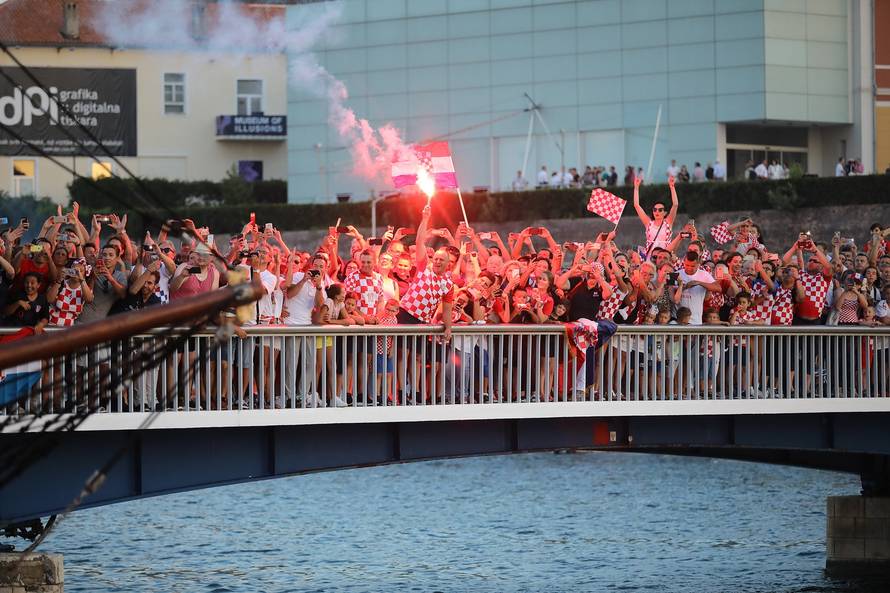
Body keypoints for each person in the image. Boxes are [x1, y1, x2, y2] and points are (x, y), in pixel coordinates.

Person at [633, 175, 679, 254]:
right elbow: (636, 205)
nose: (657, 212)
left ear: (665, 213)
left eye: (660, 210)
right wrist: (636, 187)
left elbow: (675, 205)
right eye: (655, 210)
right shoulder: (648, 223)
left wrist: (672, 187)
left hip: (665, 256)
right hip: (650, 257)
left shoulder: (668, 222)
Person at [675, 251, 720, 325]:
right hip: (678, 320)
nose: (689, 268)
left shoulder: (704, 275)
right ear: (684, 262)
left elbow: (718, 288)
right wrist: (684, 287)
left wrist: (700, 283)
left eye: (692, 266)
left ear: (698, 264)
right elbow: (673, 297)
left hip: (695, 320)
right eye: (687, 265)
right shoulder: (677, 274)